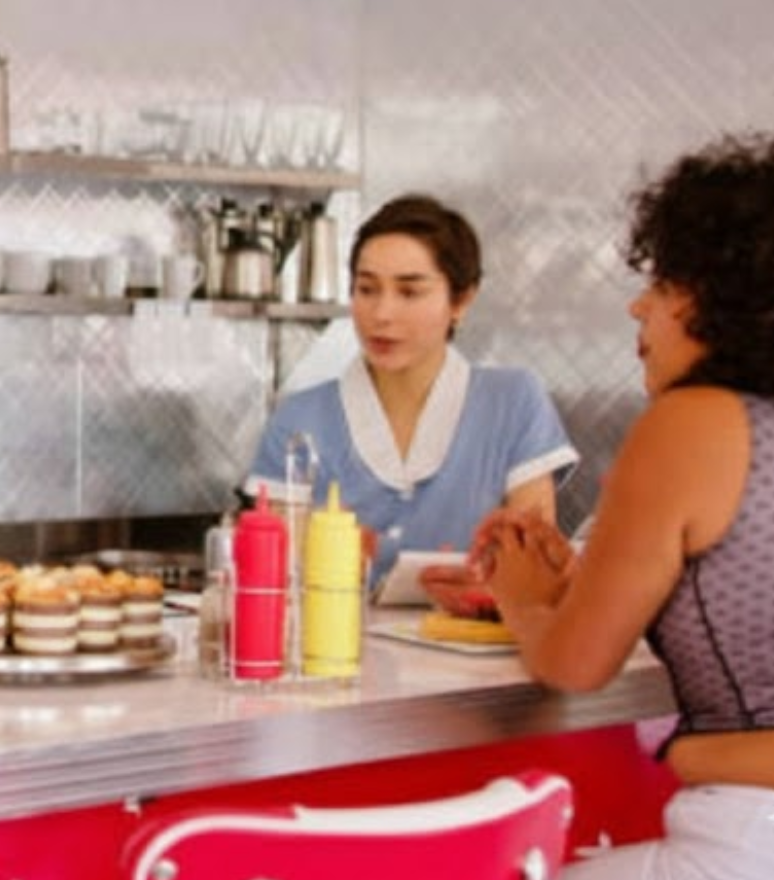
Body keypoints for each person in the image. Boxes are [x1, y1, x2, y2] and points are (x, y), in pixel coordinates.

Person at [480, 135, 774, 879]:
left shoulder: (696, 420)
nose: (639, 303)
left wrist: (519, 596)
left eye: (667, 278)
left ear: (725, 291)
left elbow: (577, 666)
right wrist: (575, 583)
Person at [244, 194, 578, 589]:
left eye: (409, 292)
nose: (382, 314)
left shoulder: (514, 402)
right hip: (335, 647)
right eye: (367, 289)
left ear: (461, 300)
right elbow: (278, 581)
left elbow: (536, 573)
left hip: (477, 647)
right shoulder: (299, 419)